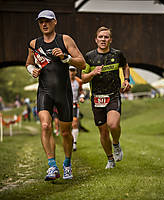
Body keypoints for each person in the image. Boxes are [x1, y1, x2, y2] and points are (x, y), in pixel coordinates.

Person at [25, 10, 86, 181]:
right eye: (41, 22)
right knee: (45, 126)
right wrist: (32, 70)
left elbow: (81, 62)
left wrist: (66, 57)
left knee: (66, 133)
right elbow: (29, 63)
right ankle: (52, 166)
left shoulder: (65, 40)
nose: (44, 24)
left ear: (55, 22)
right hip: (44, 91)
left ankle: (67, 164)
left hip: (64, 93)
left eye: (47, 21)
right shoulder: (34, 44)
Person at [82, 26, 130, 169]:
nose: (103, 39)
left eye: (106, 37)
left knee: (113, 125)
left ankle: (116, 144)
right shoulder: (89, 57)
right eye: (101, 37)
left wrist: (126, 80)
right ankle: (110, 160)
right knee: (103, 131)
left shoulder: (117, 54)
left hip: (113, 95)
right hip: (97, 98)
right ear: (96, 40)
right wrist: (92, 73)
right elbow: (83, 78)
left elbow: (125, 66)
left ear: (110, 40)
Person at [69, 66, 85, 151]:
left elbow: (81, 91)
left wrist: (82, 97)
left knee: (75, 123)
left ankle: (74, 143)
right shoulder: (64, 81)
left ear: (75, 72)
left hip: (75, 105)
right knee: (66, 125)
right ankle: (68, 141)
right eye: (70, 70)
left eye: (73, 71)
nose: (71, 72)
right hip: (65, 105)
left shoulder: (78, 81)